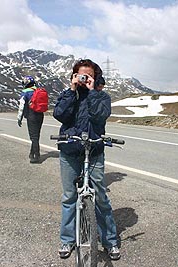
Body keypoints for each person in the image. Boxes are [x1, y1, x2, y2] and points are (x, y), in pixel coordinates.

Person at [53, 59, 121, 261]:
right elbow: (59, 115)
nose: (84, 79)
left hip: (94, 151)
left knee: (100, 197)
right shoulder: (68, 94)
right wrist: (71, 91)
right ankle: (67, 239)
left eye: (88, 76)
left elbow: (100, 117)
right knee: (69, 197)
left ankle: (110, 241)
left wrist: (92, 92)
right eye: (80, 75)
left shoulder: (102, 97)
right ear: (74, 76)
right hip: (70, 150)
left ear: (95, 77)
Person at [17, 76, 44, 164]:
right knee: (37, 135)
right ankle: (32, 153)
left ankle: (37, 156)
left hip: (31, 115)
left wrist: (19, 118)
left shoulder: (25, 92)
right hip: (40, 115)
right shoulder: (38, 90)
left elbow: (21, 106)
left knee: (33, 137)